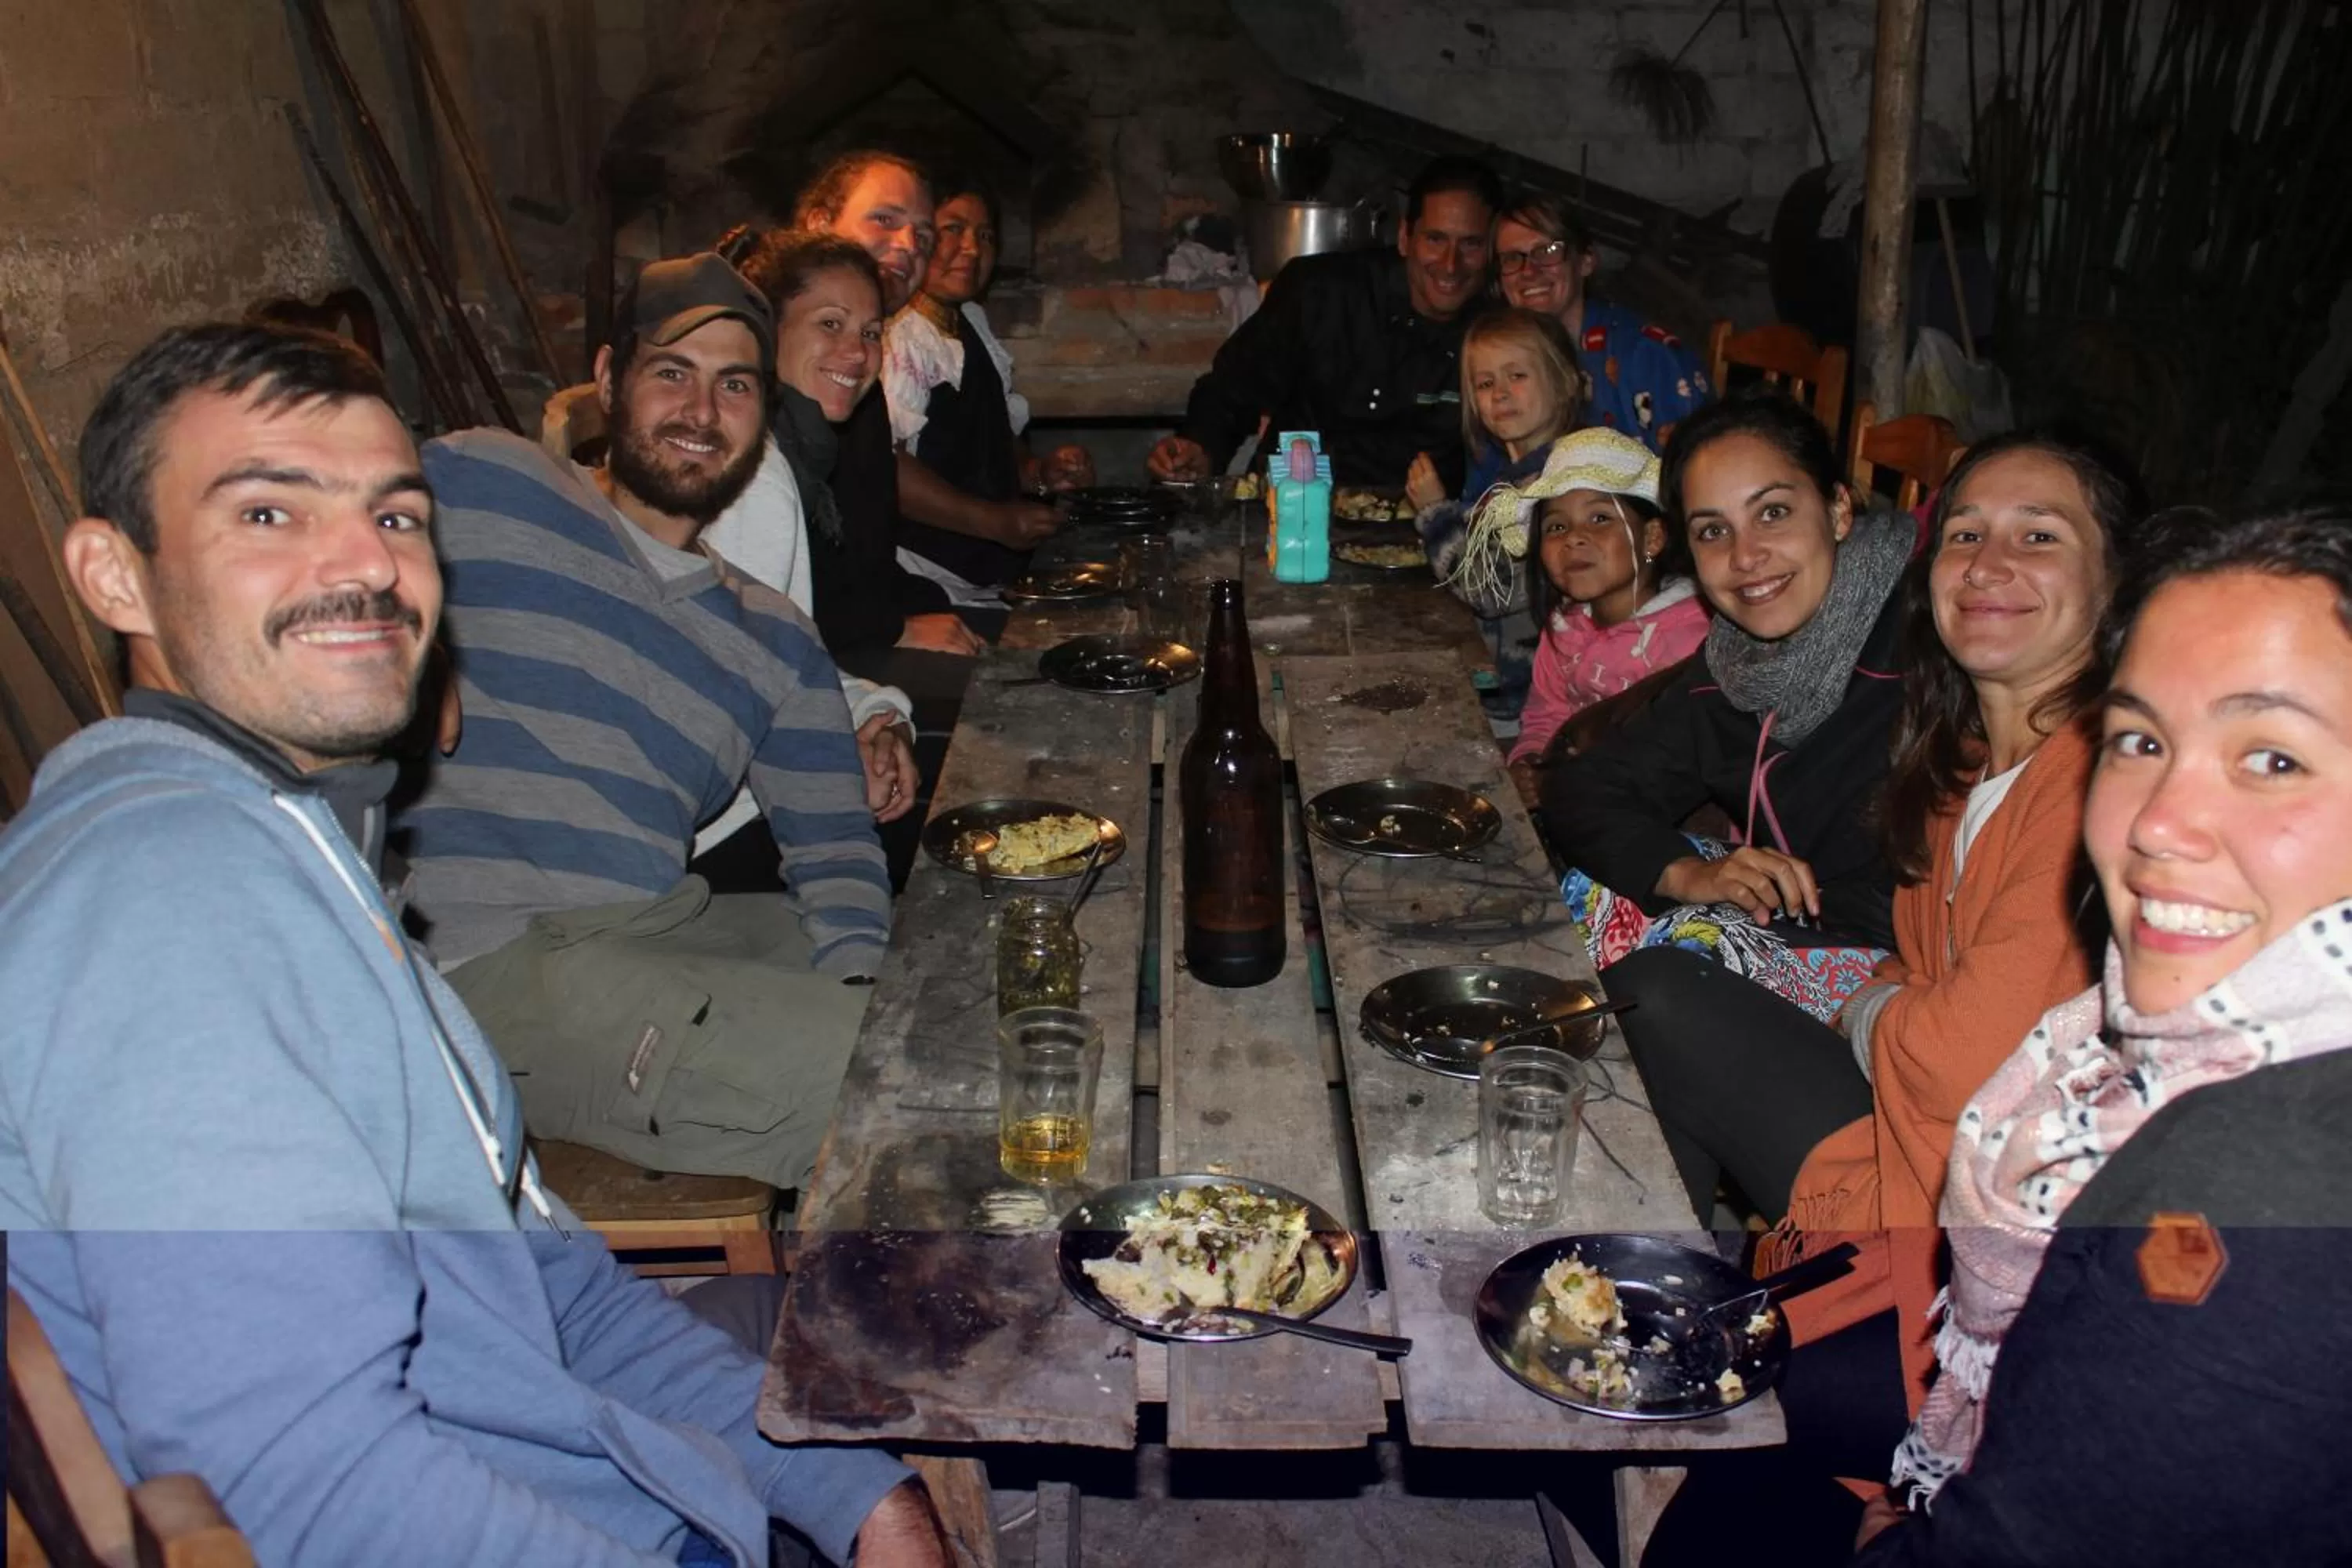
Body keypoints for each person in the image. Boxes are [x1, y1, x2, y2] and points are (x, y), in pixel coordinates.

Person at [0, 321, 944, 1567]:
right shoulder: (168, 902)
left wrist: (859, 1502)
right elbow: (312, 1496)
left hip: (579, 1448)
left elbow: (555, 1297)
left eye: (395, 518)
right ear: (116, 576)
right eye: (269, 516)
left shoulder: (304, 852)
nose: (364, 566)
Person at [1630, 430, 2144, 1568]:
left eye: (2038, 538)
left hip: (2018, 1284)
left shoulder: (2100, 788)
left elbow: (1954, 1054)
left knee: (1663, 1384)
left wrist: (1869, 1009)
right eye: (1965, 535)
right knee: (1660, 986)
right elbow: (1920, 987)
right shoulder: (1961, 763)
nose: (1988, 563)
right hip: (1918, 1153)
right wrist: (1883, 997)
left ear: (2113, 580)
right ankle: (1670, 1284)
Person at [1851, 501, 2352, 1564]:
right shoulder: (2140, 1065)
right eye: (2141, 740)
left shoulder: (2257, 1179)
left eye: (2273, 759)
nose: (2156, 823)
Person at [397, 253, 892, 1192]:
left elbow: (835, 851)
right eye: (673, 372)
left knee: (945, 995)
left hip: (650, 924)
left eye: (735, 385)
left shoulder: (776, 639)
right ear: (611, 380)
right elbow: (311, 519)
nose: (702, 413)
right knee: (890, 1074)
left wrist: (865, 978)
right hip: (482, 957)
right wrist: (406, 651)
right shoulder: (490, 482)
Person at [1543, 389, 1911, 1022]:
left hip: (1896, 977)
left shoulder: (1919, 649)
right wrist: (1685, 874)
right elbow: (1584, 791)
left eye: (1772, 514)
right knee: (1587, 893)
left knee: (1660, 979)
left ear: (1838, 509)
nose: (1745, 558)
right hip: (1796, 926)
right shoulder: (1736, 666)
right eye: (1714, 530)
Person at [1147, 155, 1502, 493]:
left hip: (1426, 535)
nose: (1451, 264)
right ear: (1406, 238)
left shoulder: (1502, 328)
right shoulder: (1321, 291)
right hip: (1292, 519)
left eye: (1470, 244)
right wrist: (1201, 449)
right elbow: (1232, 388)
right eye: (1436, 239)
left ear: (1491, 250)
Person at [790, 149, 984, 659]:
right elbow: (756, 589)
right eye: (885, 219)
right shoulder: (769, 360)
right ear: (819, 223)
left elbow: (862, 551)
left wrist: (934, 607)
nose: (908, 246)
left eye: (922, 235)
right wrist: (890, 629)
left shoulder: (859, 363)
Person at [884, 175, 1089, 608]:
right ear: (917, 239)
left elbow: (988, 436)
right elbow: (888, 467)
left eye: (985, 235)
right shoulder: (899, 337)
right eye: (953, 230)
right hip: (924, 579)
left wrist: (1036, 473)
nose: (973, 249)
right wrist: (992, 520)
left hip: (984, 571)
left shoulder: (971, 321)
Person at [1502, 426, 1711, 808]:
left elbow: (1686, 762)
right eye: (1556, 527)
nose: (1573, 538)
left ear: (1652, 538)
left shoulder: (1688, 641)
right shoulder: (1565, 628)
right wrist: (1532, 761)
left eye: (1599, 519)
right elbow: (1546, 712)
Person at [1406, 306, 1587, 717]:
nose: (1499, 392)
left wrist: (1435, 511)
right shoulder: (1517, 476)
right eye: (1484, 383)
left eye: (1517, 376)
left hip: (1529, 705)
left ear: (1564, 383)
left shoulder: (1561, 487)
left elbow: (1487, 587)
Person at [1490, 193, 1710, 452]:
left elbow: (1694, 475)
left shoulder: (1650, 357)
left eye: (1548, 251)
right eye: (1513, 258)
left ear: (1586, 261)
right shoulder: (1495, 365)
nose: (1528, 271)